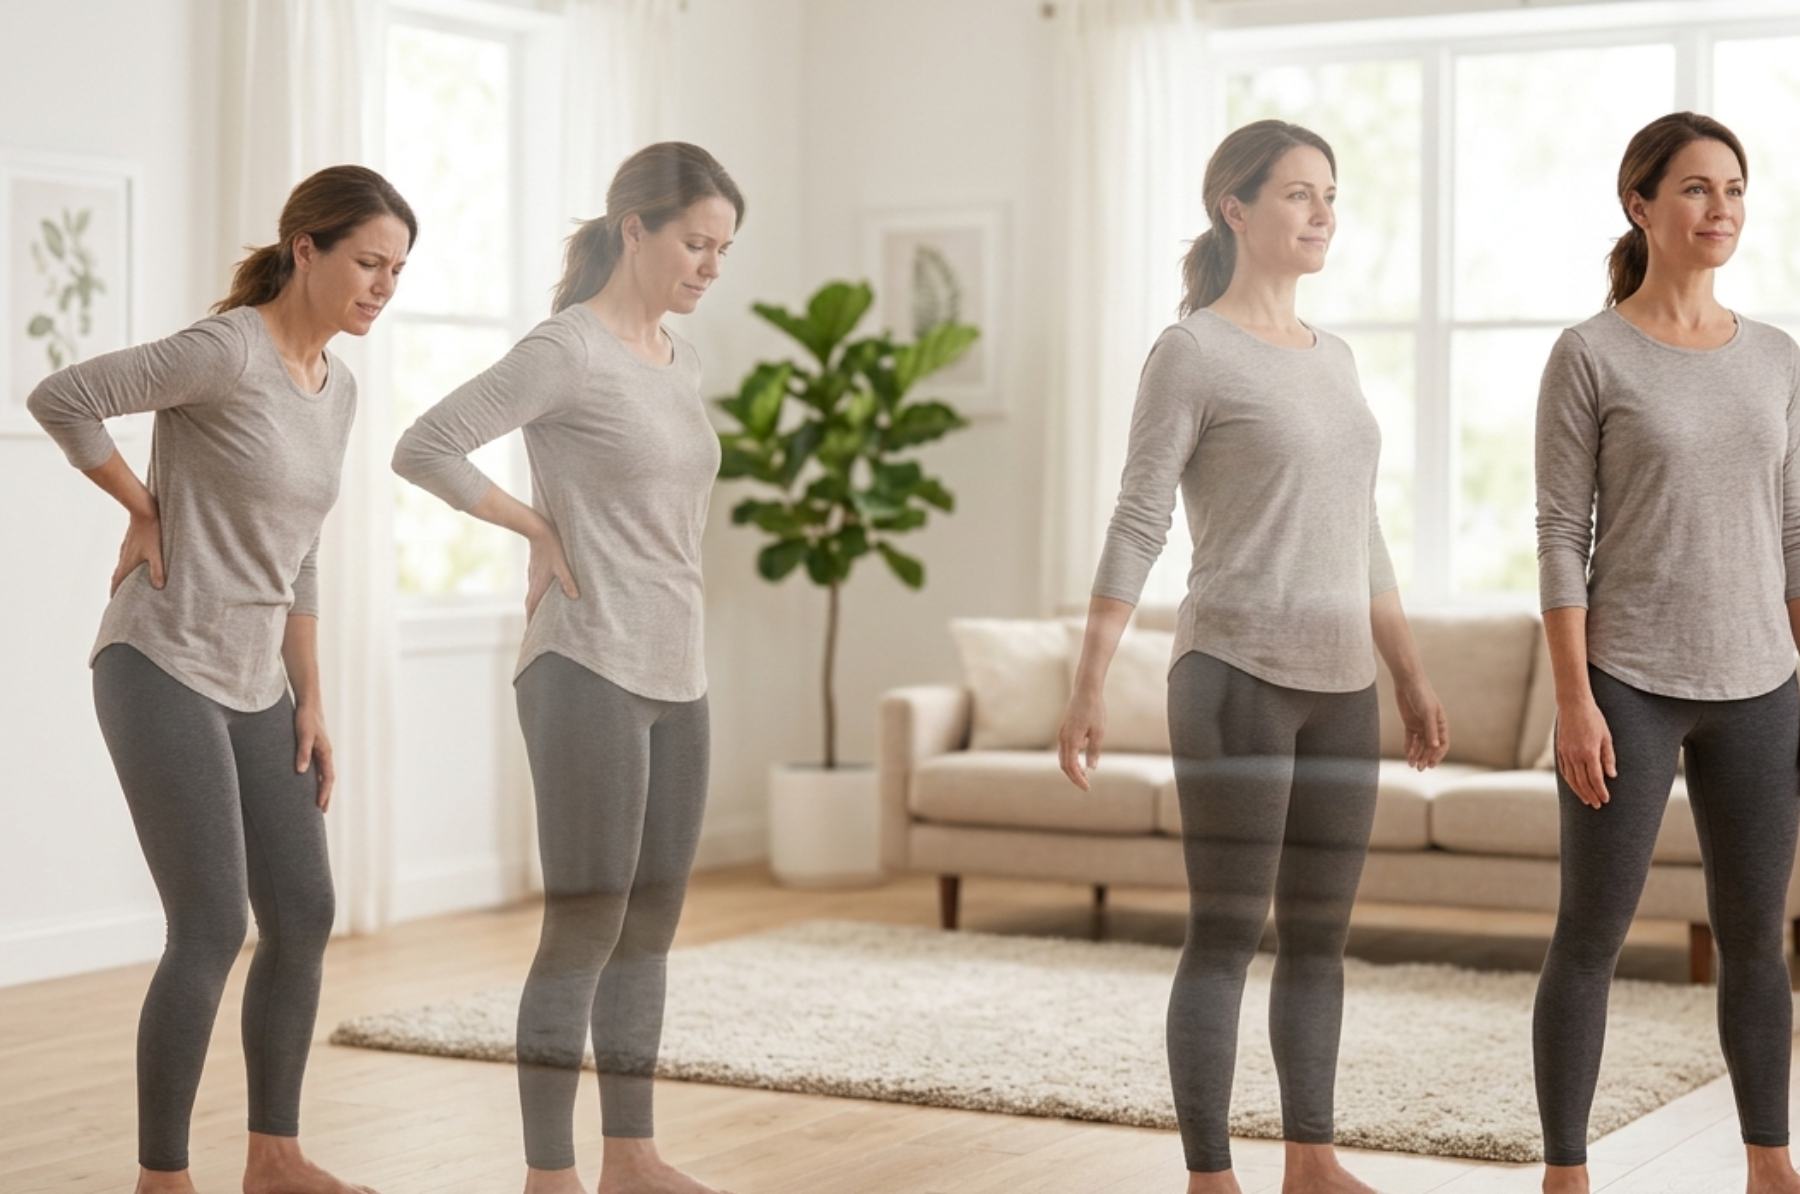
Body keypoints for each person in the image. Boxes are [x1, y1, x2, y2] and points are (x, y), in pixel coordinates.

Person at [1058, 119, 1449, 1194]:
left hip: (1345, 688)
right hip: (1234, 673)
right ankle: (1209, 1176)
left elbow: (1360, 527)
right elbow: (1140, 521)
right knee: (1228, 929)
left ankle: (1312, 1160)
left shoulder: (1340, 359)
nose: (1324, 213)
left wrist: (1409, 678)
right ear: (1235, 209)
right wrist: (1088, 683)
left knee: (1320, 937)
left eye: (1331, 194)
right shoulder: (1192, 350)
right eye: (1298, 195)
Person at [27, 164, 414, 1194]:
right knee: (208, 924)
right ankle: (164, 1178)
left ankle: (275, 1157)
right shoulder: (227, 349)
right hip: (160, 658)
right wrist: (141, 505)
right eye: (368, 262)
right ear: (307, 250)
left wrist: (314, 701)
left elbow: (302, 553)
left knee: (305, 912)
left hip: (257, 679)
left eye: (398, 271)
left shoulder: (338, 386)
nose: (382, 286)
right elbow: (62, 398)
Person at [390, 141, 742, 1194]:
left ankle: (630, 1156)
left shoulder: (684, 361)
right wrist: (534, 526)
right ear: (632, 227)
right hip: (585, 663)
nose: (710, 267)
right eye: (694, 242)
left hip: (680, 669)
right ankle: (551, 1175)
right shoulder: (569, 349)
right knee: (586, 917)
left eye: (724, 249)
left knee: (651, 924)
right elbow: (428, 443)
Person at [1533, 111, 1800, 1194]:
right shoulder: (1589, 353)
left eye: (1733, 188)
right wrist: (1573, 700)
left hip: (1764, 684)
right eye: (1694, 188)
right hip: (1627, 683)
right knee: (1589, 939)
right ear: (1640, 205)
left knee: (1758, 940)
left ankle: (1771, 1166)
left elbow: (1794, 535)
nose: (1721, 208)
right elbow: (1561, 534)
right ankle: (1567, 1173)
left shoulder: (1779, 356)